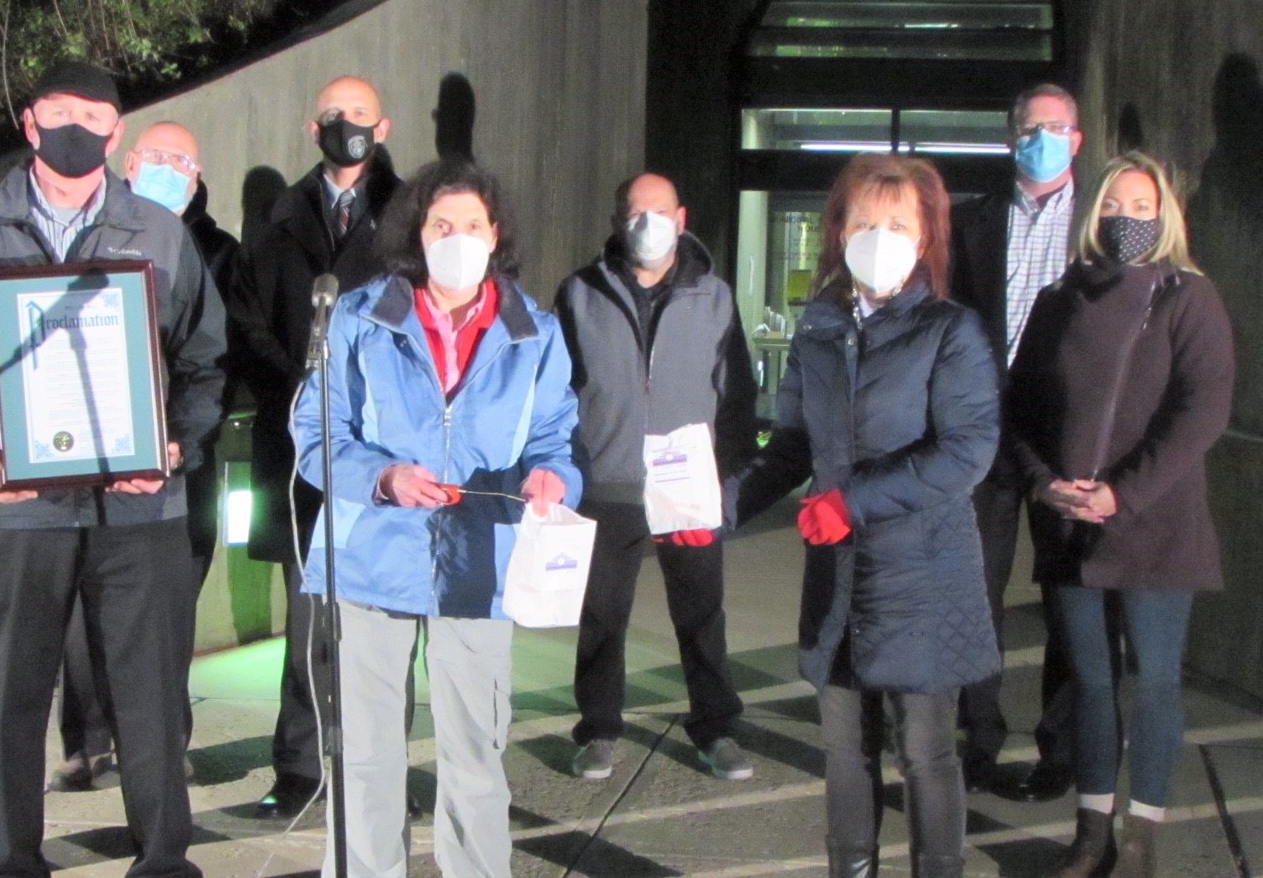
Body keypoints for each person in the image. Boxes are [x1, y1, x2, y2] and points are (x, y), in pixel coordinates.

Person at [0, 60, 225, 878]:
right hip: (10, 508)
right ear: (29, 123)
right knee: (7, 698)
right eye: (60, 111)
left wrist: (175, 444)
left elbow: (206, 360)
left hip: (139, 507)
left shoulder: (160, 231)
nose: (78, 127)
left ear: (117, 132)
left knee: (148, 695)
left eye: (95, 115)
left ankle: (165, 858)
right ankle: (7, 860)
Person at [292, 158, 581, 878]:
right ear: (415, 235)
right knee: (366, 754)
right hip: (370, 558)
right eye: (440, 225)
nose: (457, 238)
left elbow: (555, 436)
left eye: (471, 226)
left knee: (477, 751)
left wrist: (555, 476)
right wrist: (380, 477)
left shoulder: (535, 332)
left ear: (497, 234)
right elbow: (314, 436)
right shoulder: (358, 320)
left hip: (479, 564)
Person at [728, 154, 1000, 878]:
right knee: (846, 751)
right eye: (865, 221)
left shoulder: (951, 331)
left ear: (926, 237)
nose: (880, 236)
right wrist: (717, 510)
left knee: (925, 751)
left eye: (899, 223)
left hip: (925, 571)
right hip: (841, 577)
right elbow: (790, 445)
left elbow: (967, 451)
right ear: (838, 230)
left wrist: (853, 501)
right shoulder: (818, 329)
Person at [1006, 153, 1233, 878]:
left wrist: (1124, 492)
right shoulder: (1057, 299)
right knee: (1092, 681)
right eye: (1114, 205)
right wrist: (1043, 485)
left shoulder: (1187, 298)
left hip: (1157, 526)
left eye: (1143, 206)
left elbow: (1202, 411)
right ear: (1093, 214)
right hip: (1071, 523)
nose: (1128, 218)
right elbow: (1020, 410)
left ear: (1165, 215)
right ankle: (1092, 828)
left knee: (1157, 681)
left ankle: (1140, 835)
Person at [46, 120, 241, 792]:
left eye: (181, 162)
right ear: (130, 162)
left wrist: (182, 435)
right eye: (156, 156)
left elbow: (218, 357)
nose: (167, 169)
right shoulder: (87, 230)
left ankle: (160, 742)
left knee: (168, 615)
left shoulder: (218, 252)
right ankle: (87, 739)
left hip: (177, 463)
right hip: (83, 458)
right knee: (80, 609)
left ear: (197, 177)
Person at [229, 75, 401, 818]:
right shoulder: (277, 219)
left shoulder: (410, 214)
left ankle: (379, 767)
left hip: (385, 444)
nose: (346, 126)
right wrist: (298, 388)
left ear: (383, 126)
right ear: (313, 128)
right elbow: (247, 322)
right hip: (300, 440)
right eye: (333, 116)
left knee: (384, 619)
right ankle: (300, 764)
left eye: (358, 115)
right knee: (308, 616)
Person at [553, 173, 759, 782]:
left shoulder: (715, 297)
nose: (649, 222)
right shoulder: (580, 292)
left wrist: (725, 483)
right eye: (636, 212)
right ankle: (598, 729)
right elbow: (559, 389)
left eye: (661, 210)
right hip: (609, 479)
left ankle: (716, 727)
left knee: (702, 614)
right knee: (601, 617)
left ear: (682, 215)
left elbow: (738, 393)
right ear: (618, 221)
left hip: (688, 486)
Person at [948, 83, 1085, 797]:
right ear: (1011, 138)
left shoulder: (1100, 224)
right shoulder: (973, 222)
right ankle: (980, 737)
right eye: (1032, 127)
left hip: (1068, 436)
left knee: (1068, 594)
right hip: (986, 434)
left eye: (1057, 128)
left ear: (1077, 140)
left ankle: (1059, 749)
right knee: (978, 591)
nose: (1043, 138)